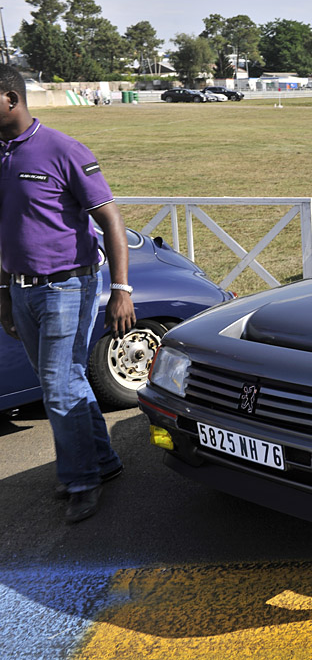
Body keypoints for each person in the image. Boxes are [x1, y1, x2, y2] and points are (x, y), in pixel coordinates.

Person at [0, 63, 136, 523]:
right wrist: (3, 294)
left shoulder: (63, 150)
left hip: (68, 285)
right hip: (21, 288)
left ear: (10, 99)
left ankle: (82, 481)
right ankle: (105, 462)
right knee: (67, 382)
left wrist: (120, 289)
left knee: (58, 388)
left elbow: (111, 222)